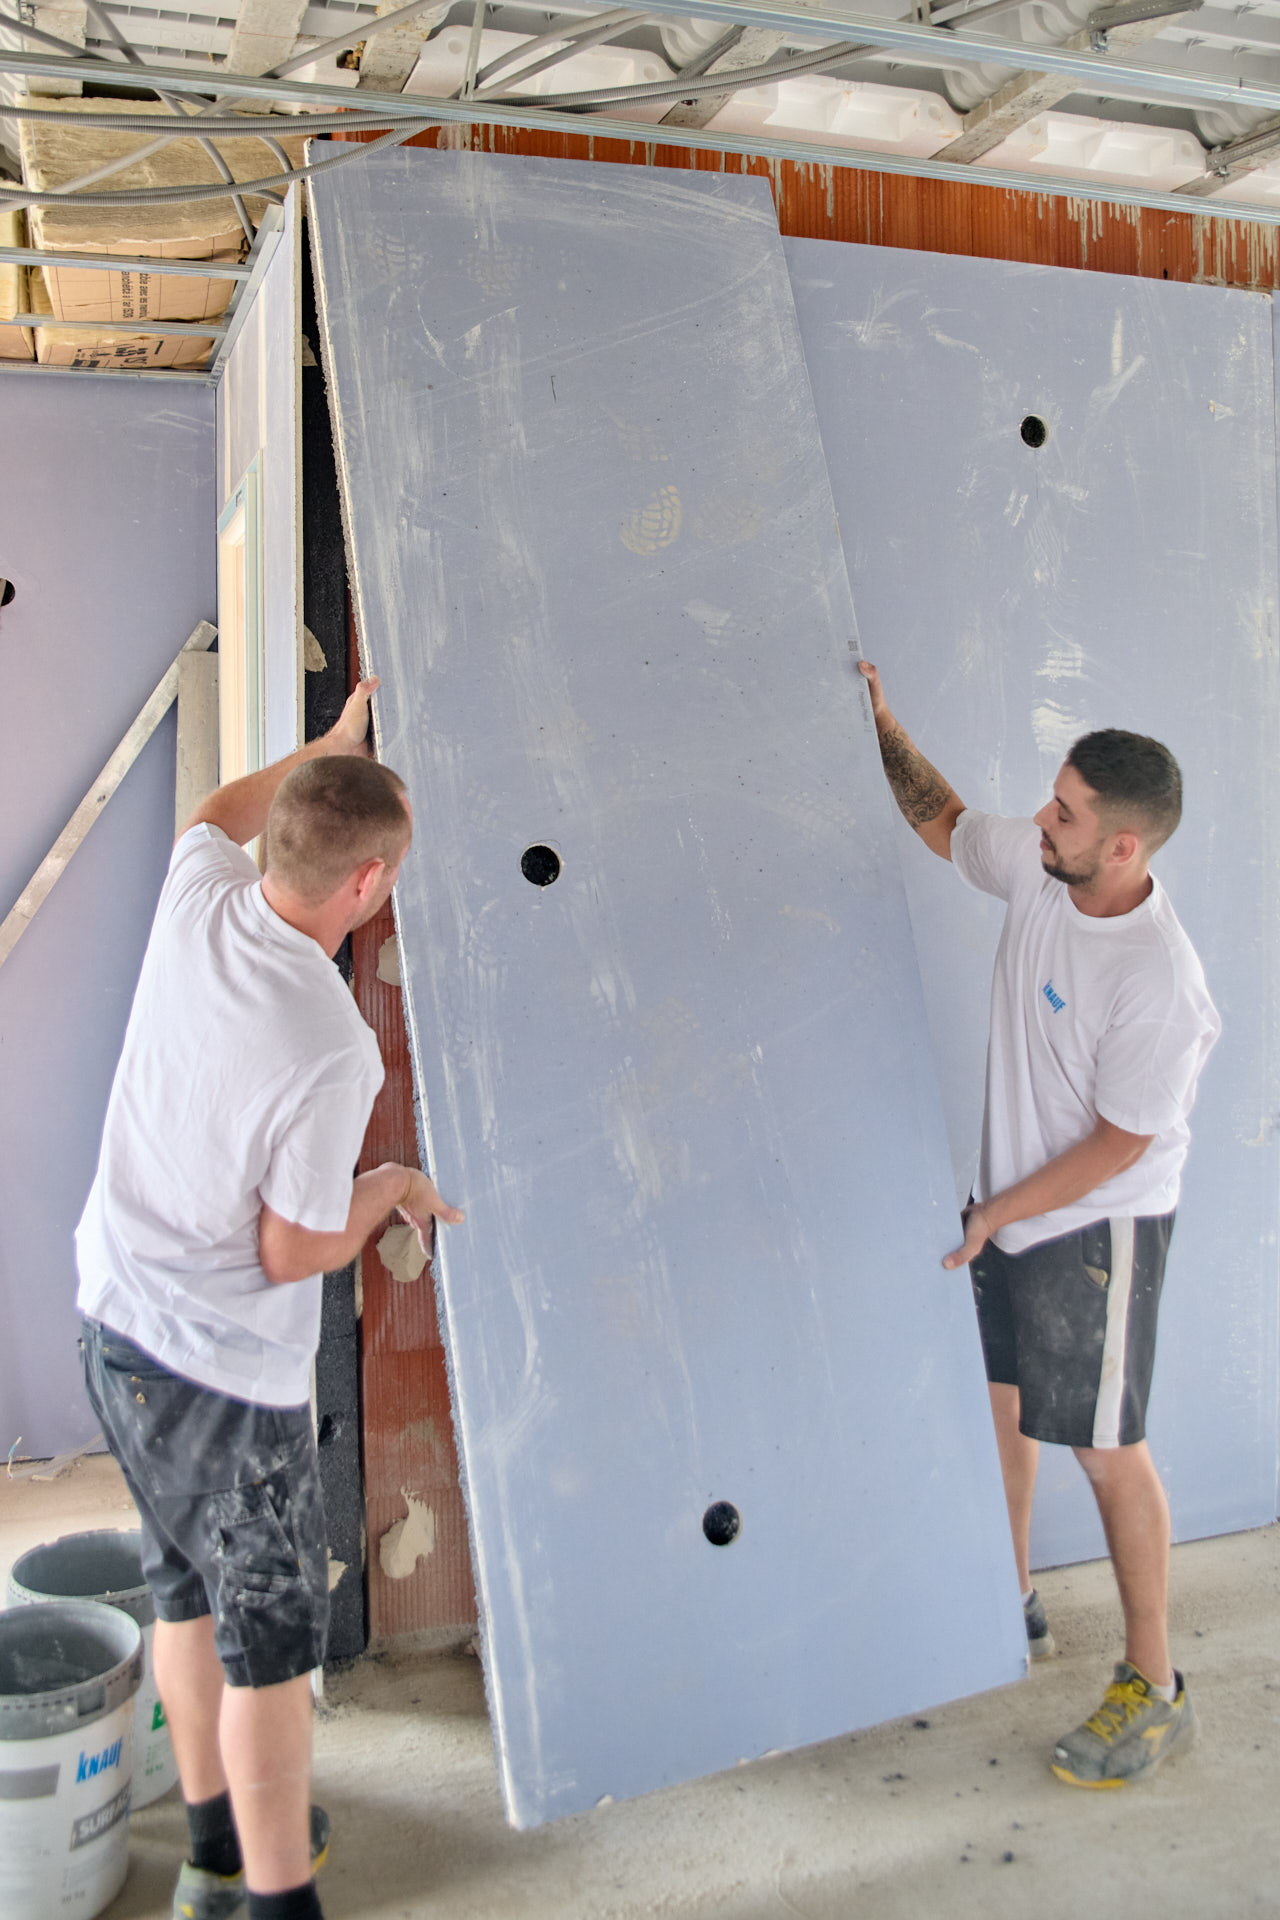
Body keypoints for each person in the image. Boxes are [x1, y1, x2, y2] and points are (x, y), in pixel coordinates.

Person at [75, 677, 463, 1920]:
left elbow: (209, 810)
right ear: (363, 887)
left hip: (112, 1323)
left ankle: (211, 1855)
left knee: (182, 1596)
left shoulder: (200, 896)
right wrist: (389, 1180)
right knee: (271, 1667)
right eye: (389, 874)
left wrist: (325, 754)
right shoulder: (327, 1040)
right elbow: (297, 1250)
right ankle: (279, 1899)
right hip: (224, 1389)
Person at [858, 658, 1220, 1788]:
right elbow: (946, 820)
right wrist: (877, 720)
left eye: (1062, 813)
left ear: (1124, 846)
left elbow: (1118, 1145)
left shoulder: (1158, 983)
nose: (1039, 820)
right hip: (1009, 1215)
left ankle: (1154, 1690)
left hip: (1095, 1228)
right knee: (1002, 1403)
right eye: (1051, 799)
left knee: (1103, 1449)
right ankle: (1006, 1595)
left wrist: (994, 1214)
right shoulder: (1036, 864)